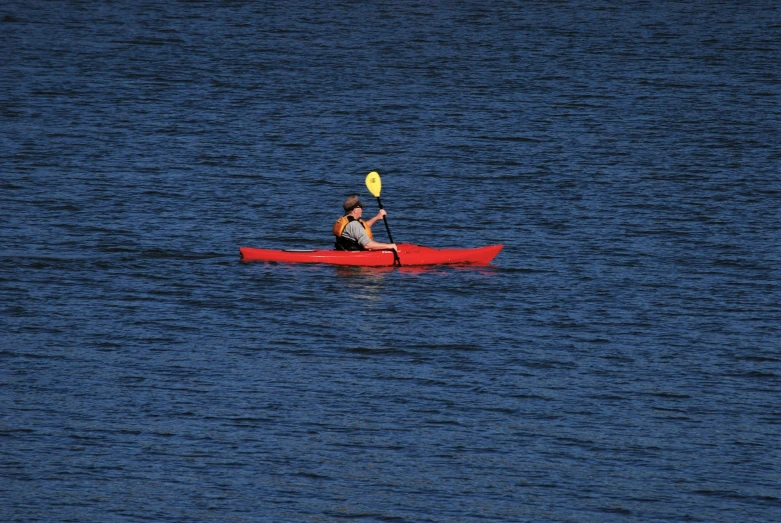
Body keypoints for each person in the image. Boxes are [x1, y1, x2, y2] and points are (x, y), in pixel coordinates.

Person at [333, 195, 398, 251]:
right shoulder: (354, 225)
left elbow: (362, 227)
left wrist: (377, 217)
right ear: (355, 210)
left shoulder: (345, 219)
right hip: (355, 254)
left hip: (344, 249)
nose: (362, 210)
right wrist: (389, 246)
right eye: (361, 207)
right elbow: (367, 245)